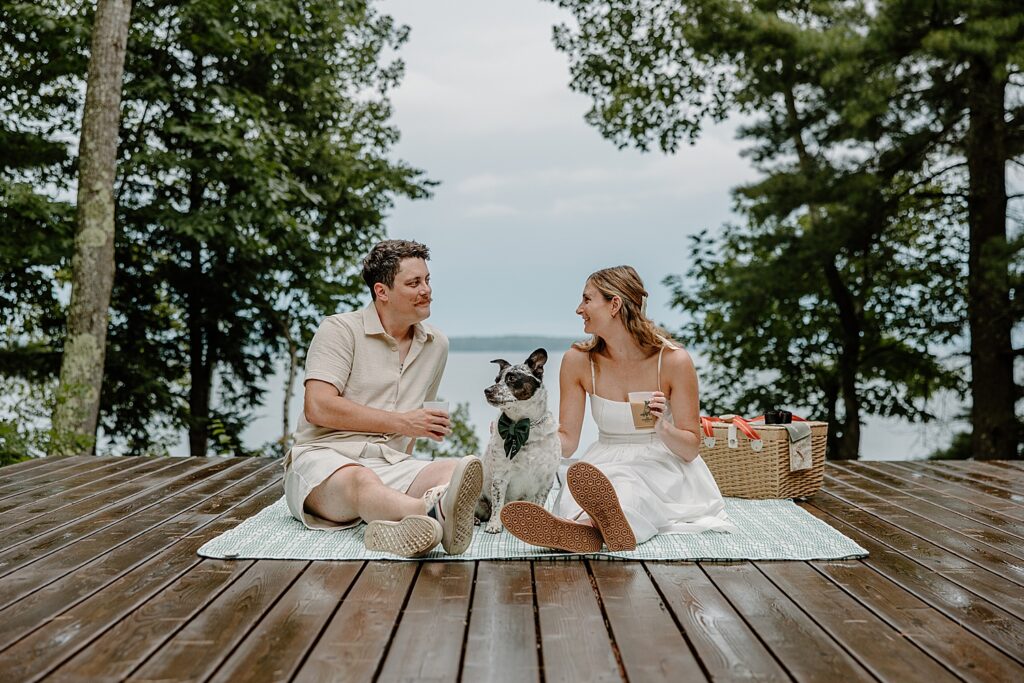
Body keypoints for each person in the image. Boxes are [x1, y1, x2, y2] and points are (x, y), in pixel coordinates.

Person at [500, 265, 735, 552]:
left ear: (615, 304)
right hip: (603, 460)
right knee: (582, 487)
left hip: (662, 463)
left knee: (628, 487)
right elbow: (568, 443)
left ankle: (587, 531)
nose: (578, 309)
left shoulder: (674, 361)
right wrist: (524, 430)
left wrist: (663, 427)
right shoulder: (578, 361)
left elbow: (690, 448)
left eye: (587, 300)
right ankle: (586, 528)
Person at [283, 239, 482, 557]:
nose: (426, 290)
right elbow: (317, 406)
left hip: (390, 463)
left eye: (427, 280)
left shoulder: (436, 344)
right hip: (323, 462)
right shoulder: (339, 330)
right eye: (414, 283)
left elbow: (417, 427)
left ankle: (403, 522)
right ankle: (428, 515)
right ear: (382, 291)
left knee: (458, 469)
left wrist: (416, 433)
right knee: (363, 480)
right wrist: (403, 422)